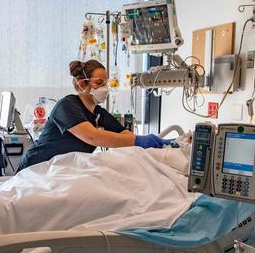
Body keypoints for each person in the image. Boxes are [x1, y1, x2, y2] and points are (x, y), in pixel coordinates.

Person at [17, 60, 171, 171]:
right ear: (83, 84)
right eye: (99, 83)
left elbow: (123, 133)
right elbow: (92, 136)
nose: (105, 88)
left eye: (106, 83)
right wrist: (140, 140)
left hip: (62, 170)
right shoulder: (67, 106)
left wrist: (149, 144)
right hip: (37, 167)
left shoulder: (98, 113)